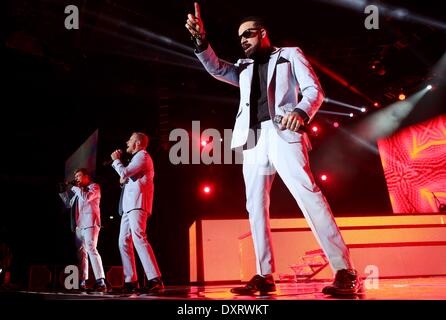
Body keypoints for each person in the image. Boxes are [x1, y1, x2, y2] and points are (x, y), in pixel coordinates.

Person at [185, 3, 361, 296]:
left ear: (263, 33)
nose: (243, 40)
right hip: (252, 139)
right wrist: (201, 40)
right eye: (239, 37)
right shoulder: (242, 67)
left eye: (248, 34)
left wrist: (302, 113)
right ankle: (264, 274)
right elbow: (215, 67)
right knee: (255, 207)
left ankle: (344, 269)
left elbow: (314, 90)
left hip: (284, 132)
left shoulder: (290, 54)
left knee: (309, 195)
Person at [110, 132, 164, 293]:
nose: (127, 141)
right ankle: (131, 281)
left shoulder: (143, 156)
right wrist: (122, 177)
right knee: (123, 241)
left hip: (138, 204)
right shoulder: (136, 158)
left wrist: (116, 162)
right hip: (129, 206)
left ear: (138, 143)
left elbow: (125, 173)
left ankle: (155, 279)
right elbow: (126, 177)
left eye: (131, 140)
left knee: (139, 237)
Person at [58, 168, 107, 292]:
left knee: (91, 249)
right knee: (81, 253)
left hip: (91, 224)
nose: (77, 179)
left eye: (79, 176)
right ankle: (82, 280)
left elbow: (86, 197)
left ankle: (100, 281)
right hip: (79, 226)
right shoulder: (78, 191)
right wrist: (63, 192)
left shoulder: (94, 187)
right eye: (76, 177)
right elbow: (69, 204)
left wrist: (74, 187)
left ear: (86, 176)